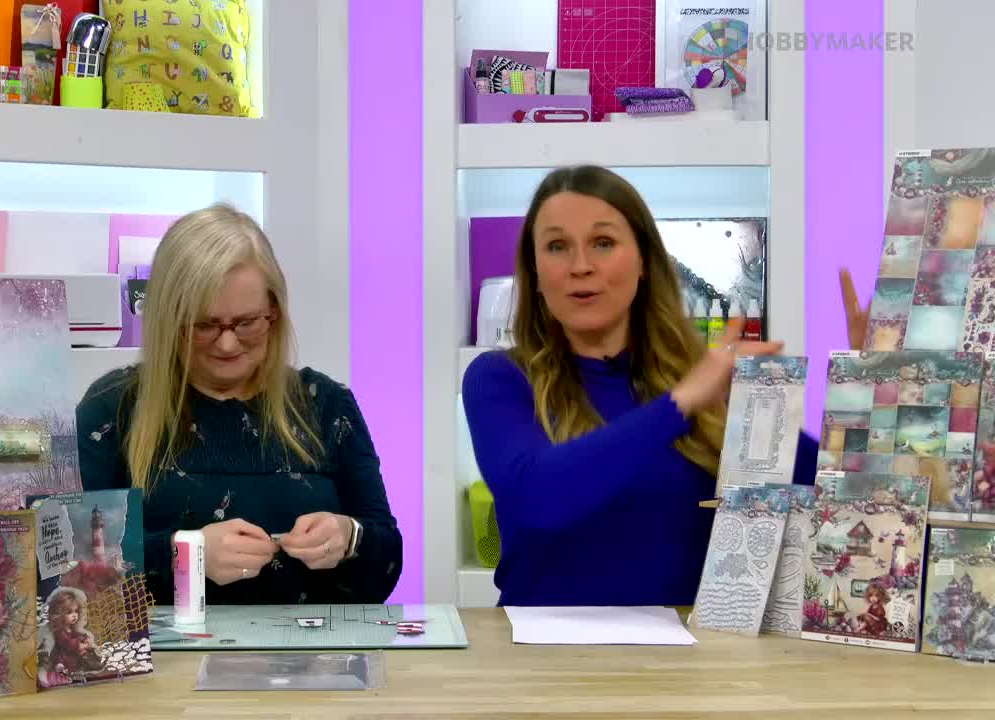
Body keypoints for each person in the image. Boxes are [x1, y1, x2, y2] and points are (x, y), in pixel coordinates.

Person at [461, 166, 866, 607]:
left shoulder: (709, 385)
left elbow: (835, 501)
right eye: (557, 246)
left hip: (696, 669)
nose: (580, 266)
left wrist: (871, 391)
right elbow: (537, 498)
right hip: (541, 666)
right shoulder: (499, 378)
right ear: (535, 273)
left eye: (603, 242)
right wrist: (681, 402)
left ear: (643, 264)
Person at [76, 204, 403, 605]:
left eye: (247, 323)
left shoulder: (327, 406)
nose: (227, 343)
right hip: (162, 665)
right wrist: (183, 555)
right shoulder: (112, 409)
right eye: (204, 325)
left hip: (311, 663)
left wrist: (349, 536)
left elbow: (387, 559)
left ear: (274, 314)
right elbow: (66, 569)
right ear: (166, 320)